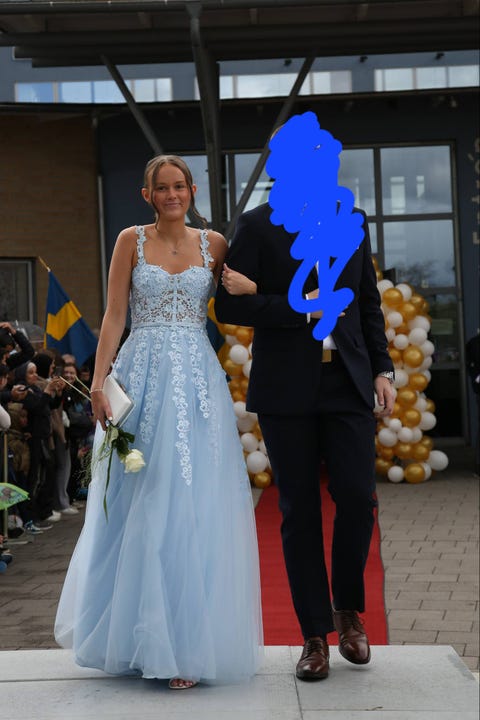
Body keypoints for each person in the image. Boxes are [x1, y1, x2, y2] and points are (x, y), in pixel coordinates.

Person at [55, 154, 263, 688]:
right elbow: (114, 315)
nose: (172, 195)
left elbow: (239, 304)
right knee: (138, 497)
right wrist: (98, 383)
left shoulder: (215, 245)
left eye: (179, 186)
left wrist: (259, 292)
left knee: (192, 500)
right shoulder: (130, 240)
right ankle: (131, 640)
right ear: (147, 195)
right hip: (140, 380)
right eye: (162, 188)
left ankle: (187, 646)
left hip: (196, 385)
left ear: (191, 191)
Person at [215, 156, 395, 681]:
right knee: (299, 511)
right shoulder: (255, 225)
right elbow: (230, 308)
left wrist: (382, 367)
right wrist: (301, 309)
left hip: (348, 381)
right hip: (286, 387)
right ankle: (314, 635)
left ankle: (348, 611)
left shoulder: (351, 220)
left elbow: (367, 302)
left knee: (358, 498)